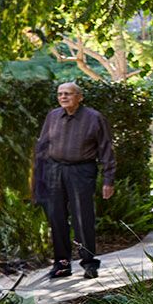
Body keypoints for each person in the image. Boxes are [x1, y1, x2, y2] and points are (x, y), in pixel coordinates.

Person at [31, 82, 116, 280]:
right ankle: (62, 264)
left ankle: (89, 263)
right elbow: (42, 147)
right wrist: (39, 178)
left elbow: (106, 149)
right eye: (60, 94)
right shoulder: (52, 116)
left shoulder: (94, 118)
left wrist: (108, 180)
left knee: (82, 217)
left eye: (68, 94)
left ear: (80, 97)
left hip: (81, 171)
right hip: (54, 170)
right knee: (56, 217)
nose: (63, 97)